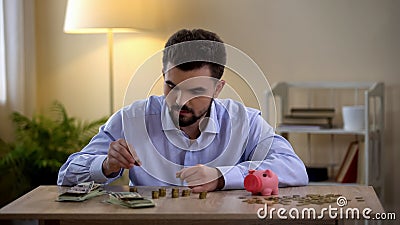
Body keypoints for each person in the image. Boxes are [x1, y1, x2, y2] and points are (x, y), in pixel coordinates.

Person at [58, 28, 308, 192]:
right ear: (163, 76)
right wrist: (105, 165)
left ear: (218, 88)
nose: (179, 100)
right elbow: (66, 175)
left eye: (195, 91)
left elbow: (293, 168)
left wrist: (221, 177)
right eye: (171, 86)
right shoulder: (131, 119)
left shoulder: (245, 122)